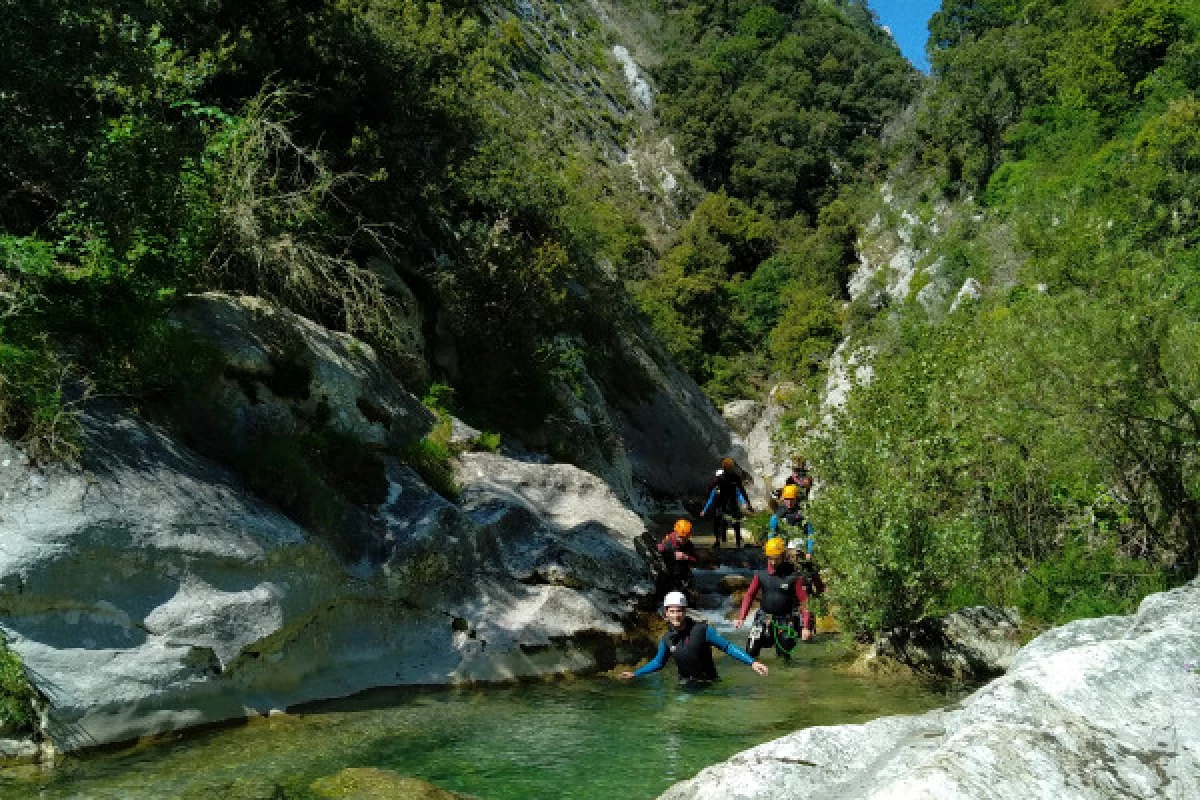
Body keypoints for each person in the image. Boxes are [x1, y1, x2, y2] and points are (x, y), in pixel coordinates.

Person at [621, 592, 768, 684]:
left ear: (685, 611)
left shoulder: (702, 630)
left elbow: (728, 647)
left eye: (679, 611)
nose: (676, 615)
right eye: (672, 611)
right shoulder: (667, 639)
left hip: (709, 685)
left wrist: (752, 662)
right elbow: (659, 662)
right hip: (686, 684)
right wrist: (636, 673)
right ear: (666, 614)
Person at [734, 538, 813, 657]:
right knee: (750, 652)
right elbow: (749, 595)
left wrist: (806, 627)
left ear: (783, 556)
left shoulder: (794, 577)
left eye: (776, 558)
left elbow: (804, 601)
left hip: (785, 620)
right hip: (763, 618)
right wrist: (741, 617)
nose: (773, 562)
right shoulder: (760, 575)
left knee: (784, 657)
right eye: (770, 558)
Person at [700, 457, 754, 548]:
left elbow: (741, 491)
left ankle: (735, 542)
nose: (729, 470)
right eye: (728, 468)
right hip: (723, 504)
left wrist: (748, 504)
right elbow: (711, 490)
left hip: (729, 504)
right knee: (721, 522)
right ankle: (720, 540)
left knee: (733, 522)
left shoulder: (731, 478)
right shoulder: (723, 478)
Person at [658, 519, 698, 595]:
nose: (683, 540)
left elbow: (696, 561)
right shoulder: (666, 543)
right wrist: (672, 556)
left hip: (684, 577)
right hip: (669, 578)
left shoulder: (689, 544)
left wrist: (686, 557)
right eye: (681, 537)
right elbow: (658, 557)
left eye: (686, 538)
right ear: (675, 533)